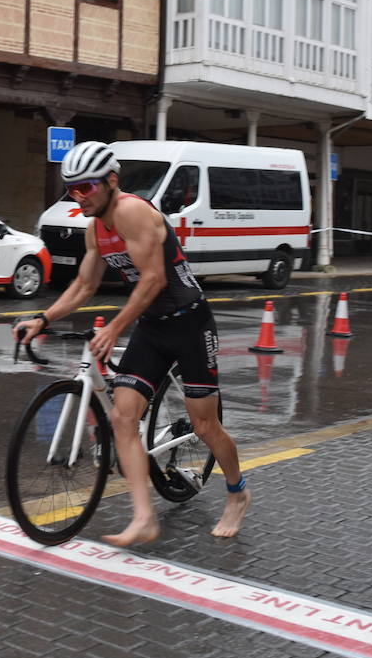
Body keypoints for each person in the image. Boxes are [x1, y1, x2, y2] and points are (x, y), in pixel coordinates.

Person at [14, 141, 249, 546]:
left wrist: (115, 327)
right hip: (154, 327)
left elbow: (155, 278)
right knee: (123, 419)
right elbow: (84, 285)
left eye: (86, 186)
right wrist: (43, 318)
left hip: (190, 323)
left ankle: (237, 491)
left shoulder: (133, 212)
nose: (79, 195)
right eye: (71, 188)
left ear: (111, 180)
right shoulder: (96, 230)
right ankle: (144, 518)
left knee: (205, 425)